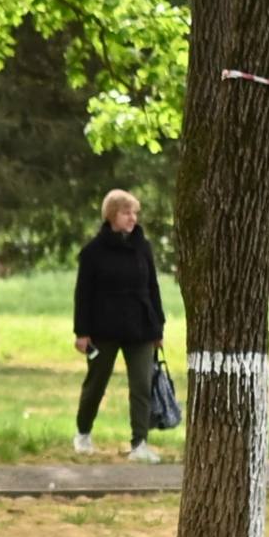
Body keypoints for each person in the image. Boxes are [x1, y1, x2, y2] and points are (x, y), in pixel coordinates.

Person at [71, 189, 167, 463]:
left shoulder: (143, 247)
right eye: (126, 213)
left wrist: (158, 328)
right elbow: (83, 295)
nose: (132, 218)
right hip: (103, 329)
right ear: (112, 215)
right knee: (96, 383)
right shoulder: (93, 252)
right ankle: (83, 433)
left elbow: (153, 288)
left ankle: (140, 443)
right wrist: (81, 333)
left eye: (135, 213)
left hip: (140, 328)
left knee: (141, 385)